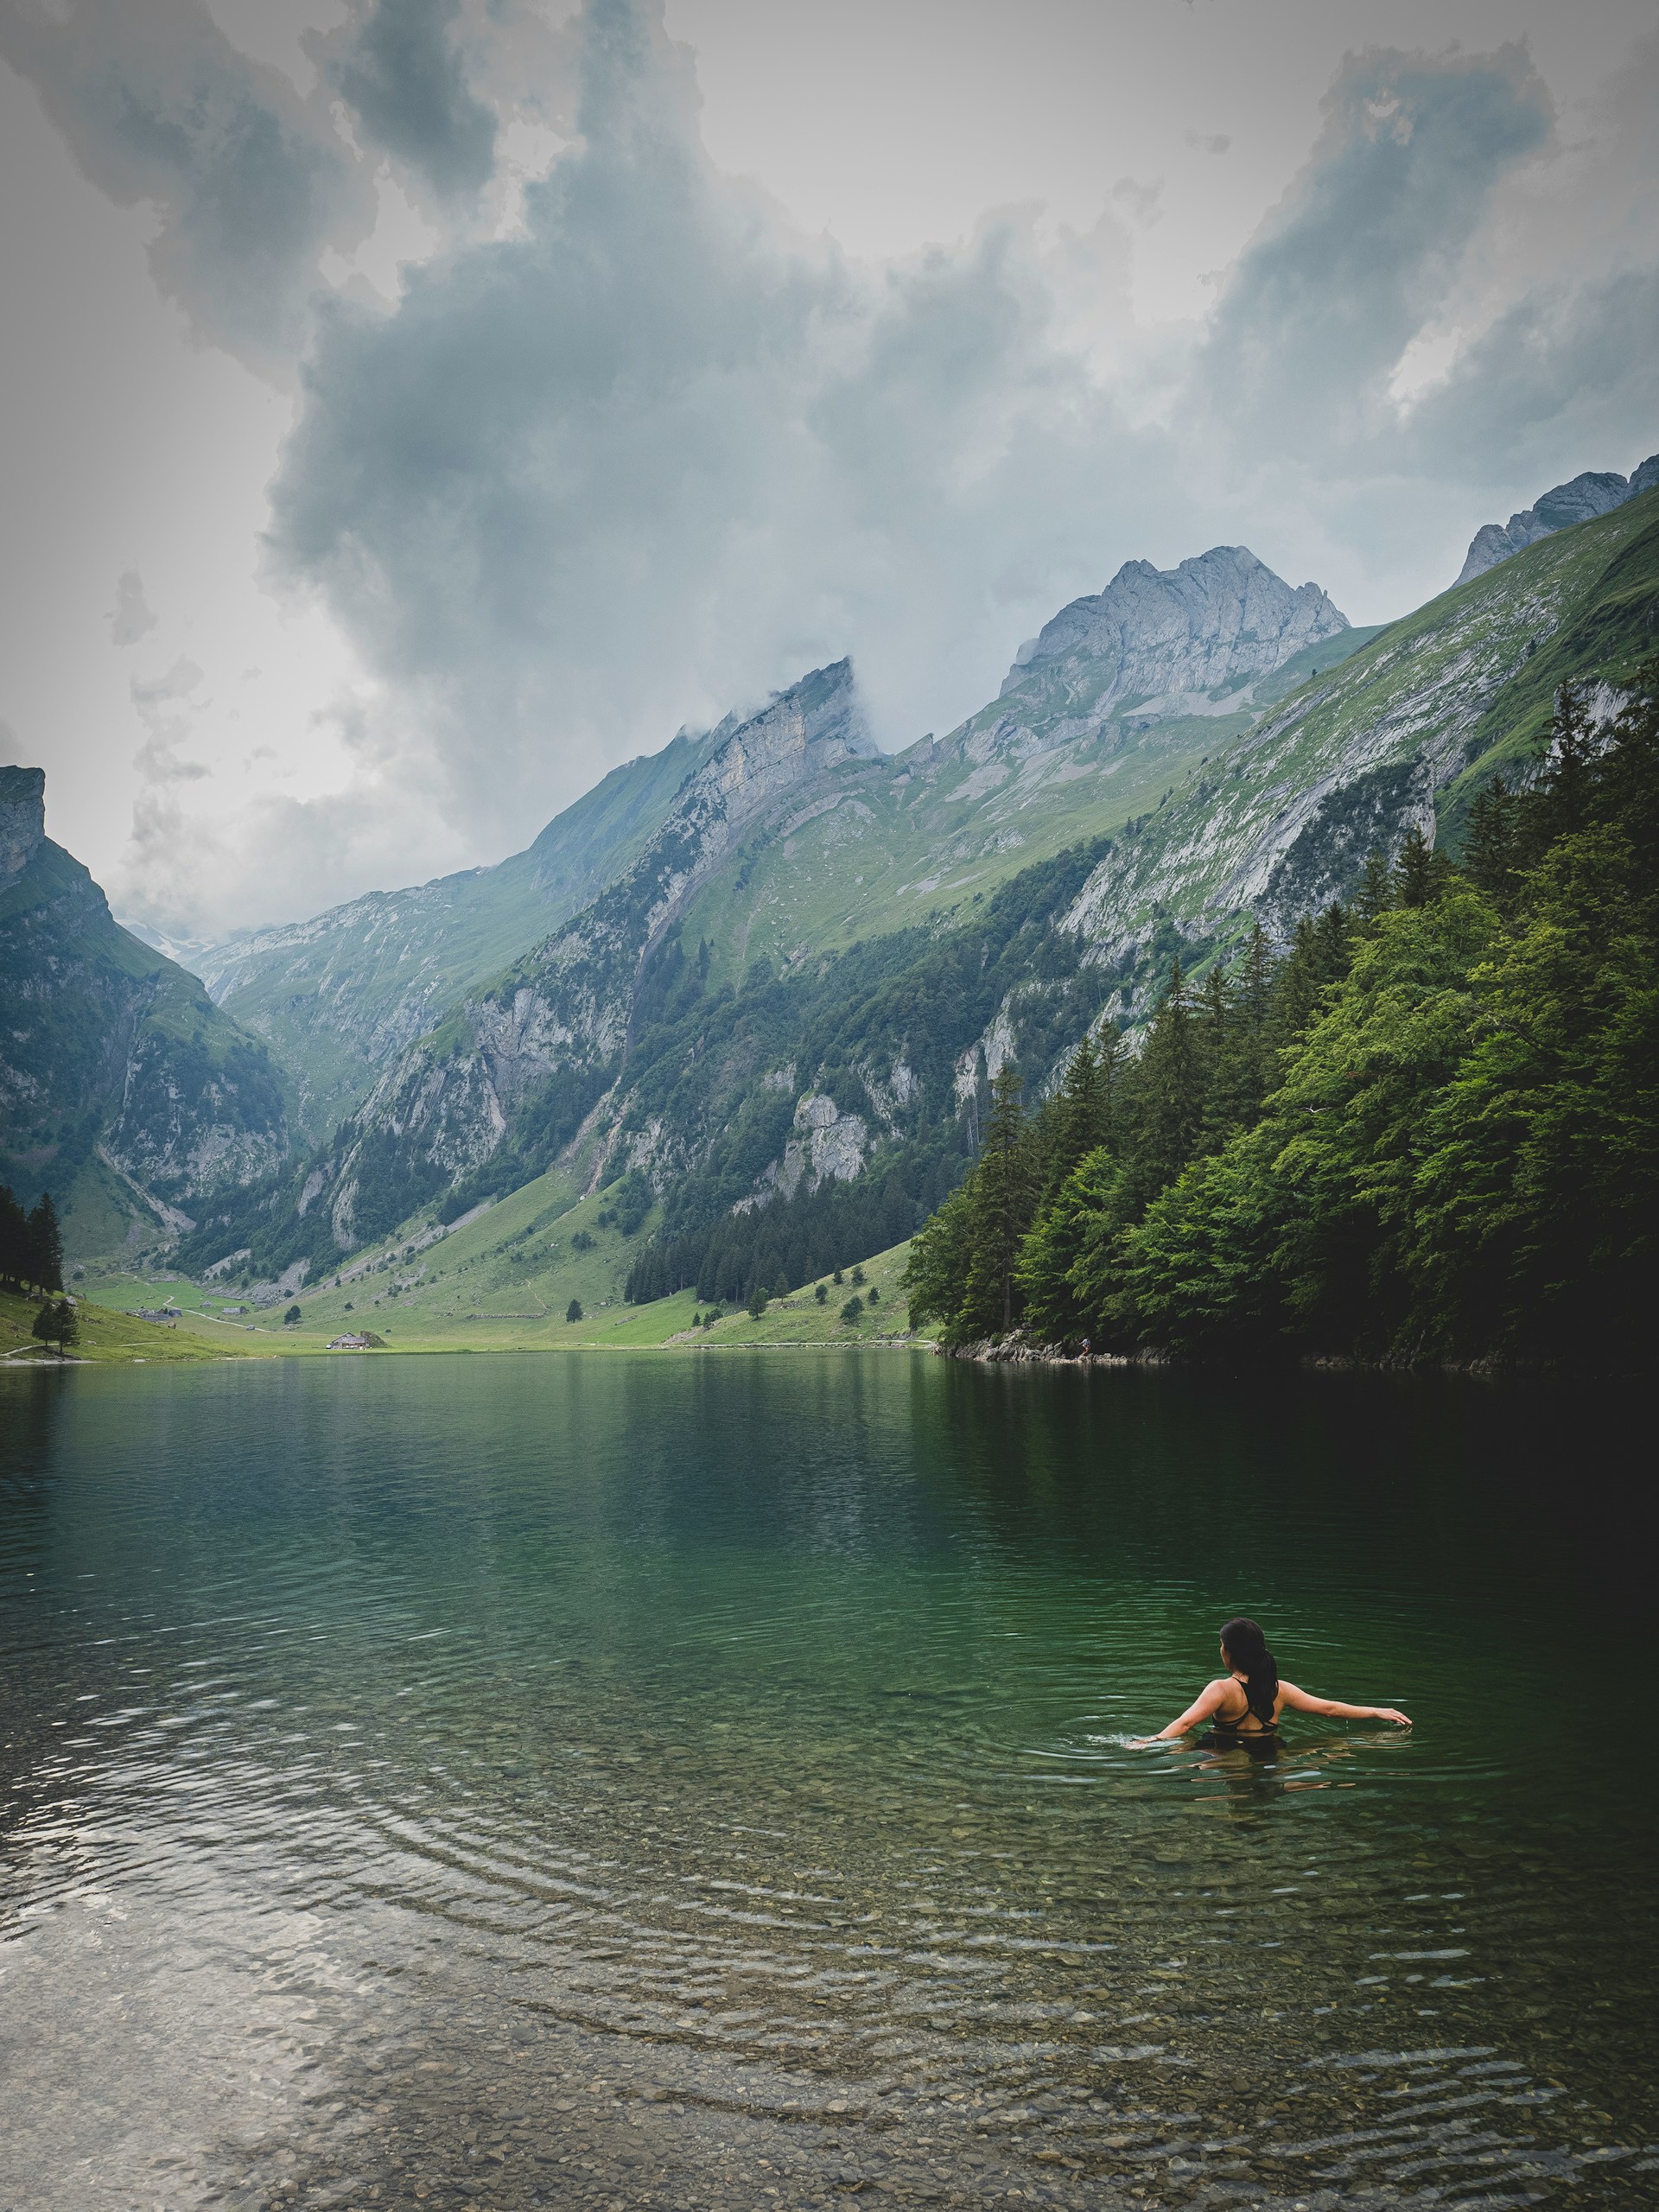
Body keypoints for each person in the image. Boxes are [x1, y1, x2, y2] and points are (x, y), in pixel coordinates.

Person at [1141, 1616, 1410, 1745]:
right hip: (1269, 1751)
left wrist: (1149, 1741)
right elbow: (1329, 1709)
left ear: (1231, 1652)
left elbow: (1186, 1723)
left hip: (1222, 1751)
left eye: (1221, 1645)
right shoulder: (1280, 1689)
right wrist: (1376, 1711)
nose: (1220, 1649)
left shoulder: (1221, 1689)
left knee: (1187, 1763)